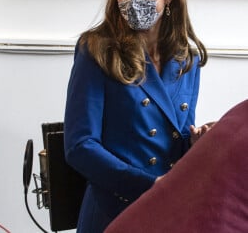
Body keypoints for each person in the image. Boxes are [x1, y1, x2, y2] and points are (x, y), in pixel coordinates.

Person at [64, 0, 209, 233]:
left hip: (167, 207)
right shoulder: (96, 49)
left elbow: (174, 140)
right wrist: (145, 184)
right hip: (113, 210)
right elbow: (80, 146)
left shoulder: (186, 60)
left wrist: (194, 143)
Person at [104, 100, 248, 233]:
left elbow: (180, 133)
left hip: (163, 205)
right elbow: (84, 143)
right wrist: (146, 182)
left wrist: (195, 143)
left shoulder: (239, 113)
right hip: (116, 197)